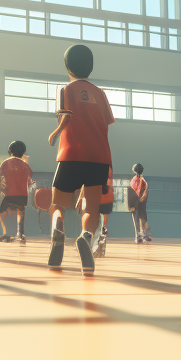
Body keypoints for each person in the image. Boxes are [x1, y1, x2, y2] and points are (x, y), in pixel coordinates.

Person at [46, 44, 112, 276]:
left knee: (57, 205)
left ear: (67, 66)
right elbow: (106, 124)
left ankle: (58, 226)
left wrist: (55, 132)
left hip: (71, 154)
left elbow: (64, 117)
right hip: (99, 157)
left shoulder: (64, 90)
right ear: (90, 67)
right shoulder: (101, 94)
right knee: (91, 209)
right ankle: (85, 237)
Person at [0, 141, 33, 244]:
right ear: (23, 152)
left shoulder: (6, 163)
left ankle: (6, 233)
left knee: (2, 213)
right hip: (23, 196)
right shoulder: (26, 166)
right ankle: (20, 234)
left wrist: (0, 187)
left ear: (10, 151)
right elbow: (29, 182)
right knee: (20, 212)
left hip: (10, 194)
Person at [128, 164, 151, 242]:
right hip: (141, 203)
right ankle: (144, 234)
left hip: (136, 203)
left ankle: (138, 235)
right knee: (143, 218)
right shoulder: (144, 180)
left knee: (136, 219)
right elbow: (146, 192)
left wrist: (130, 205)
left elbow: (130, 193)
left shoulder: (133, 180)